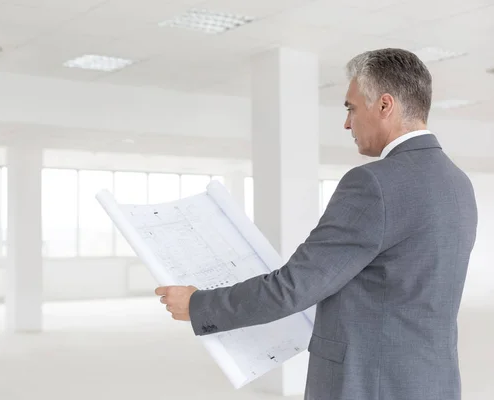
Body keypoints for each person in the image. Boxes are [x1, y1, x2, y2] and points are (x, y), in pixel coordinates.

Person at [155, 48, 478, 400]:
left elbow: (293, 287)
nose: (346, 123)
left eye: (351, 108)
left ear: (385, 106)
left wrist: (200, 305)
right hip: (432, 382)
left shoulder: (374, 184)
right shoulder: (457, 182)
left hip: (369, 383)